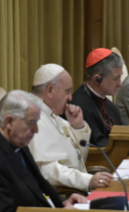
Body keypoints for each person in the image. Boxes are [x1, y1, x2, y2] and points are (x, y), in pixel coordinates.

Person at [0, 90, 87, 212]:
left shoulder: (17, 140)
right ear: (9, 122)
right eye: (32, 123)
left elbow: (37, 189)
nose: (36, 130)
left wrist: (62, 204)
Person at [30, 64, 113, 192]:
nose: (70, 97)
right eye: (67, 91)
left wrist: (78, 127)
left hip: (75, 190)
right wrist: (87, 180)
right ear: (50, 90)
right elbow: (48, 172)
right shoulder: (34, 120)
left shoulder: (53, 116)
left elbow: (79, 160)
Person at [65, 48, 125, 147]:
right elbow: (98, 148)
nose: (120, 84)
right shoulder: (78, 107)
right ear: (98, 79)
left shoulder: (110, 106)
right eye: (116, 78)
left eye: (120, 77)